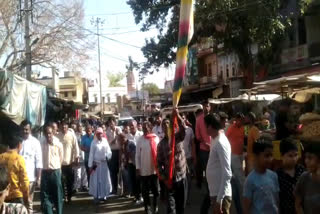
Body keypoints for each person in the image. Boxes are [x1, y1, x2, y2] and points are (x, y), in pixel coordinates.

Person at [157, 110, 187, 214]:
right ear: (162, 129)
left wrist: (177, 115)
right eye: (163, 125)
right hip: (170, 180)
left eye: (167, 124)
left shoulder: (178, 137)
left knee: (181, 206)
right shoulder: (160, 145)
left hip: (181, 176)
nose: (165, 126)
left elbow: (183, 128)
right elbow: (159, 164)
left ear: (171, 127)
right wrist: (164, 179)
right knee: (171, 208)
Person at [204, 114, 232, 214]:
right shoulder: (215, 139)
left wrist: (219, 200)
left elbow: (227, 173)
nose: (204, 129)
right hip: (215, 193)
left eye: (205, 126)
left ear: (210, 127)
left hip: (221, 196)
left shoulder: (220, 142)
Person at [243, 140, 279, 214]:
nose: (270, 159)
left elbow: (276, 199)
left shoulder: (273, 176)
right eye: (266, 156)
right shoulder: (250, 180)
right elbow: (246, 207)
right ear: (256, 156)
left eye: (271, 155)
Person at [136, 121, 160, 214]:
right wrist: (138, 168)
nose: (145, 129)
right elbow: (137, 155)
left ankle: (155, 205)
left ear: (150, 128)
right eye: (144, 128)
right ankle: (147, 208)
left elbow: (159, 154)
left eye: (147, 127)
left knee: (155, 191)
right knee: (145, 191)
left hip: (154, 169)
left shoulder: (156, 138)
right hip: (144, 170)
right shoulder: (140, 140)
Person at [19, 120, 43, 213]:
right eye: (23, 129)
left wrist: (38, 178)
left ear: (30, 129)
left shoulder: (35, 142)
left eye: (27, 129)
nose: (25, 131)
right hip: (18, 178)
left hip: (30, 178)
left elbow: (39, 161)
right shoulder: (18, 141)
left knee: (29, 202)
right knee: (20, 203)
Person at [276, 140, 304, 214]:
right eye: (290, 156)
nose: (294, 159)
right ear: (282, 156)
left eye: (296, 155)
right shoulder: (277, 175)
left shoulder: (301, 170)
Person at [40, 126, 64, 214]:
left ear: (53, 133)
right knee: (45, 197)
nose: (48, 135)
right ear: (44, 134)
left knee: (58, 196)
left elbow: (61, 158)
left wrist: (58, 169)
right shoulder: (41, 143)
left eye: (50, 133)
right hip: (45, 173)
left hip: (55, 172)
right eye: (46, 133)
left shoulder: (58, 144)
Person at [0, 135, 29, 205]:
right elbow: (24, 181)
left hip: (2, 196)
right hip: (16, 197)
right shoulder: (19, 159)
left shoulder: (1, 157)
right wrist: (26, 197)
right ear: (19, 145)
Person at [88, 127, 112, 204]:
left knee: (104, 180)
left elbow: (109, 151)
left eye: (100, 133)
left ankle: (104, 195)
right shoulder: (93, 142)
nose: (99, 135)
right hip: (96, 164)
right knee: (95, 180)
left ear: (102, 134)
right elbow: (91, 154)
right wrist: (90, 165)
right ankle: (95, 196)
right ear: (96, 134)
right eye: (98, 134)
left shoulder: (105, 141)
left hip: (104, 164)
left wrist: (107, 156)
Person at [196, 102, 212, 214]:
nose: (206, 107)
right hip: (204, 150)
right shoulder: (198, 119)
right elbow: (197, 136)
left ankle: (213, 192)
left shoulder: (213, 117)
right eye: (205, 105)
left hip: (214, 149)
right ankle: (209, 193)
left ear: (210, 107)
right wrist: (206, 144)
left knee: (214, 171)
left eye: (208, 105)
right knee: (207, 172)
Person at [58, 122, 80, 203]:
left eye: (65, 126)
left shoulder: (71, 135)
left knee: (70, 181)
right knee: (62, 181)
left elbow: (76, 147)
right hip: (60, 163)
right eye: (62, 126)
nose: (64, 127)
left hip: (70, 162)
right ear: (60, 127)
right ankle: (64, 197)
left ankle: (69, 197)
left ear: (67, 127)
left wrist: (77, 157)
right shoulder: (57, 136)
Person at [295, 142, 320, 214]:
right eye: (306, 157)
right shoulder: (304, 178)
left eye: (310, 158)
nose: (306, 161)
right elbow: (298, 205)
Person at [226, 113, 245, 188]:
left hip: (240, 153)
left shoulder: (243, 127)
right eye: (240, 120)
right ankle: (244, 190)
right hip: (233, 154)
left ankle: (236, 188)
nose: (241, 122)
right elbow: (226, 139)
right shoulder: (231, 128)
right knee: (239, 173)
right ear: (236, 120)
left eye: (242, 120)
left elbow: (243, 138)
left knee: (238, 172)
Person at [127, 120, 143, 204]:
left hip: (139, 161)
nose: (131, 127)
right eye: (130, 125)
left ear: (136, 125)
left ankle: (140, 196)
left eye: (133, 125)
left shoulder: (141, 135)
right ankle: (136, 196)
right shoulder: (128, 136)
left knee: (139, 180)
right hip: (131, 162)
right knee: (132, 179)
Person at [106, 117, 122, 195]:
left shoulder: (119, 129)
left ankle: (122, 189)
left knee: (121, 170)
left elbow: (122, 139)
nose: (111, 125)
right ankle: (114, 189)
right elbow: (108, 143)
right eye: (110, 123)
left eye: (112, 123)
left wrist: (118, 134)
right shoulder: (107, 131)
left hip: (119, 151)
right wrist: (114, 139)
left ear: (115, 123)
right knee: (113, 171)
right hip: (112, 152)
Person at [181, 116, 195, 204]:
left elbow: (193, 143)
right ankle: (182, 197)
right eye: (181, 118)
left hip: (188, 158)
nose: (182, 119)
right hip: (179, 159)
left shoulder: (190, 130)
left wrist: (194, 156)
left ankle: (186, 197)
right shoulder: (176, 130)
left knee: (188, 179)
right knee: (181, 180)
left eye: (184, 118)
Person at [74, 124, 88, 192]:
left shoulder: (85, 134)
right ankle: (77, 186)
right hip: (78, 154)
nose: (80, 127)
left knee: (84, 171)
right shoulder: (75, 135)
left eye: (81, 126)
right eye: (78, 126)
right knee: (77, 172)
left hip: (85, 154)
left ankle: (84, 185)